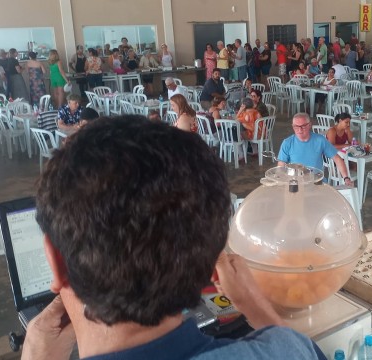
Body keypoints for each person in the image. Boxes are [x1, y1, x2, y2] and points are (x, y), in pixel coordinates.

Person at [25, 116, 326, 360]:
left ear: (57, 263)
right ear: (212, 266)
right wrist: (259, 309)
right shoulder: (284, 350)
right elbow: (296, 349)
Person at [278, 113, 353, 186]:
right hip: (297, 183)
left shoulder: (320, 140)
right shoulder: (287, 143)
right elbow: (281, 167)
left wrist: (346, 178)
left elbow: (337, 159)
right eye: (296, 127)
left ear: (310, 125)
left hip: (317, 182)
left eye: (303, 126)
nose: (299, 130)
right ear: (292, 126)